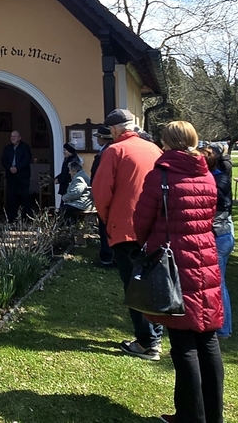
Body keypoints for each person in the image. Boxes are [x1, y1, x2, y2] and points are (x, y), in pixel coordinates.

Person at [134, 120, 224, 423]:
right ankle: (212, 415)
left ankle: (192, 416)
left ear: (167, 142)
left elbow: (142, 220)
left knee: (183, 343)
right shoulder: (206, 174)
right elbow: (209, 214)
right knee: (207, 340)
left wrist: (146, 243)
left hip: (174, 262)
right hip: (205, 258)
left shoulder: (161, 175)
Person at [92, 108, 164, 360]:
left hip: (126, 227)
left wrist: (108, 221)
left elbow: (101, 193)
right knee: (153, 283)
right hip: (154, 228)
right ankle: (155, 335)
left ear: (114, 130)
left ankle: (146, 342)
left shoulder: (115, 151)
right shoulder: (154, 149)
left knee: (134, 286)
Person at [203, 144, 233, 339]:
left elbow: (219, 206)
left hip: (219, 235)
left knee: (218, 284)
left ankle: (223, 328)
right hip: (224, 233)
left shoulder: (216, 180)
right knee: (217, 283)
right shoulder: (218, 177)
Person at [91, 126, 116, 267]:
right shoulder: (107, 150)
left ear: (102, 138)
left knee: (105, 226)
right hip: (105, 192)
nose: (97, 140)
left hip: (105, 193)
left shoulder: (107, 152)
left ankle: (107, 257)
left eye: (98, 137)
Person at [1, 130, 32, 223]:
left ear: (19, 138)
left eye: (15, 136)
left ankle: (25, 218)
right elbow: (3, 160)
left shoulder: (25, 147)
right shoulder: (7, 148)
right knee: (11, 197)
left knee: (24, 197)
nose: (12, 138)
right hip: (11, 176)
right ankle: (11, 218)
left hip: (23, 176)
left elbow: (27, 160)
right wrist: (9, 167)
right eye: (11, 136)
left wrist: (17, 168)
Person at [56, 144, 92, 222]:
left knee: (64, 209)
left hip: (81, 202)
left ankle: (66, 226)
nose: (63, 152)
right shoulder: (67, 159)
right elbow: (64, 172)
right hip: (77, 200)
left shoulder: (79, 177)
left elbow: (76, 192)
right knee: (64, 208)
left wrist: (64, 197)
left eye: (65, 150)